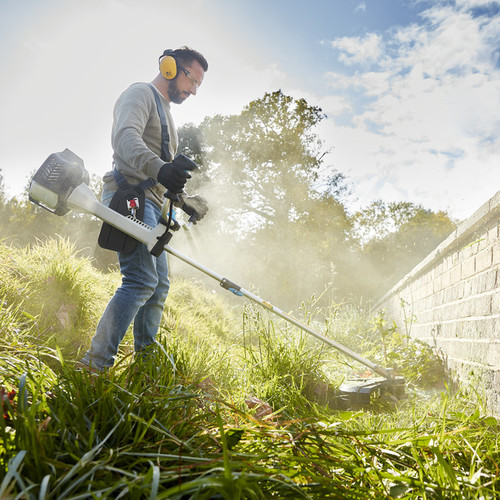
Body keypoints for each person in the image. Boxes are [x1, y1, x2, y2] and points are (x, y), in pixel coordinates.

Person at [79, 46, 209, 371]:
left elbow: (162, 177)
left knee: (159, 284)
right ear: (169, 68)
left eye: (198, 86)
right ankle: (93, 367)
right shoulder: (140, 93)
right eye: (193, 80)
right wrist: (161, 169)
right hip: (130, 197)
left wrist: (185, 201)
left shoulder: (168, 116)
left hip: (152, 204)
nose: (194, 90)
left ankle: (146, 369)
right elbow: (125, 139)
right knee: (140, 280)